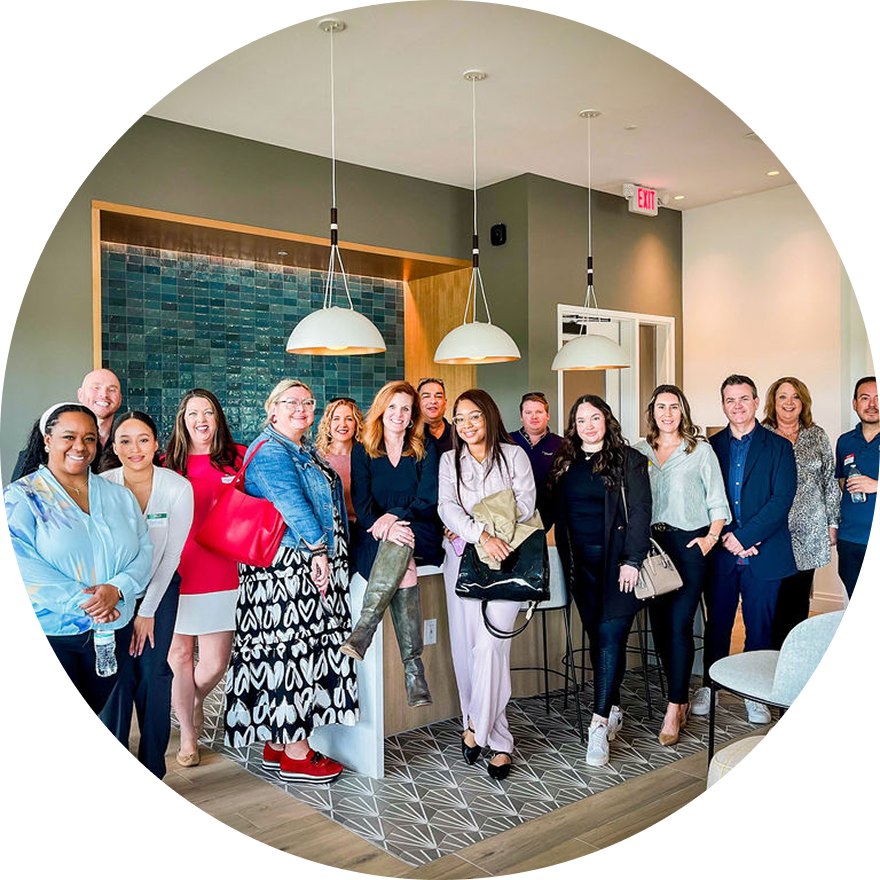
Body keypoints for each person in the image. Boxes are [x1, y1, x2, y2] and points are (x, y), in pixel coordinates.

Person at [224, 379, 356, 784]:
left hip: (299, 565)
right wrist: (318, 550)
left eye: (308, 402)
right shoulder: (271, 451)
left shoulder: (301, 448)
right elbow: (293, 506)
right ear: (273, 409)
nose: (302, 408)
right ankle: (297, 753)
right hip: (288, 572)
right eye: (291, 402)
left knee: (294, 653)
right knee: (292, 656)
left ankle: (278, 744)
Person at [6, 403, 153, 714]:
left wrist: (118, 588)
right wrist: (90, 603)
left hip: (112, 630)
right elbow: (22, 563)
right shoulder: (22, 497)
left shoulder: (119, 495)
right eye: (68, 437)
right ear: (48, 440)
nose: (80, 446)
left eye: (89, 438)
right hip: (53, 631)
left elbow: (144, 549)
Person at [543, 394, 652, 768]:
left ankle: (598, 724)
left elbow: (640, 512)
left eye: (594, 418)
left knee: (609, 638)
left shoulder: (629, 459)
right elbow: (547, 510)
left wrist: (632, 560)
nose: (588, 426)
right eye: (581, 420)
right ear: (573, 426)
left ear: (607, 420)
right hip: (579, 567)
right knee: (599, 640)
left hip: (618, 566)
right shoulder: (565, 461)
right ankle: (614, 707)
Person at [438, 389, 537, 780]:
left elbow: (525, 505)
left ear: (490, 416)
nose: (466, 425)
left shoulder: (514, 456)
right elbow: (447, 507)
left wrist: (488, 532)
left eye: (474, 416)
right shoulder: (450, 461)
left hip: (507, 560)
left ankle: (476, 728)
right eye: (460, 419)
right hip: (463, 560)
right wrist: (480, 533)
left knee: (491, 647)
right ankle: (498, 741)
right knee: (466, 650)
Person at [694, 375, 797, 724]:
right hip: (721, 552)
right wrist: (729, 537)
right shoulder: (710, 447)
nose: (737, 406)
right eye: (730, 400)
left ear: (755, 402)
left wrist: (748, 537)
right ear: (722, 405)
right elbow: (704, 498)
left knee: (759, 625)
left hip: (765, 552)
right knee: (718, 623)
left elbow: (781, 499)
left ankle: (754, 693)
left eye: (743, 399)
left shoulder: (779, 446)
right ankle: (711, 686)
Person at [96, 411, 194, 779]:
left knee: (153, 674)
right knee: (116, 676)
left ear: (155, 444)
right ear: (114, 447)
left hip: (160, 590)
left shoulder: (177, 488)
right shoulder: (101, 486)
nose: (134, 448)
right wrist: (117, 600)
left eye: (142, 440)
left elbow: (171, 556)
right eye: (125, 440)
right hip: (114, 593)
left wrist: (147, 611)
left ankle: (153, 765)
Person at [634, 386, 731, 745]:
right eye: (661, 407)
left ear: (683, 412)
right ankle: (680, 696)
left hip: (689, 545)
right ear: (652, 412)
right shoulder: (639, 452)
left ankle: (674, 708)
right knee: (660, 629)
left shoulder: (699, 450)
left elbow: (717, 501)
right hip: (652, 549)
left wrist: (709, 539)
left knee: (679, 626)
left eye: (674, 407)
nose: (667, 413)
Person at [343, 381, 443, 708]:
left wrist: (394, 517)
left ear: (412, 415)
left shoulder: (425, 446)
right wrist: (384, 525)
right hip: (374, 532)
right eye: (393, 407)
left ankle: (364, 629)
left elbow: (427, 499)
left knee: (403, 541)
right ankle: (413, 669)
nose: (399, 414)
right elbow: (362, 504)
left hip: (420, 526)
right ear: (381, 410)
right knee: (402, 555)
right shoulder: (363, 448)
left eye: (406, 409)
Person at [164, 389, 246, 767]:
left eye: (208, 412)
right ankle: (188, 735)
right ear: (183, 421)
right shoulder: (166, 463)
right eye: (193, 413)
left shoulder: (238, 458)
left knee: (214, 663)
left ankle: (191, 700)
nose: (201, 420)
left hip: (222, 570)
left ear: (218, 418)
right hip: (175, 571)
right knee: (180, 656)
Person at [762, 377, 841, 646]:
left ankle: (794, 654)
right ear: (773, 402)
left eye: (795, 396)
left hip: (810, 531)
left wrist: (833, 522)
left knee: (798, 597)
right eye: (782, 396)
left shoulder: (816, 435)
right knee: (773, 597)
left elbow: (829, 480)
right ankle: (770, 654)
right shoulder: (762, 435)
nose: (789, 402)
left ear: (803, 402)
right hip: (773, 531)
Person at [11, 367, 124, 481]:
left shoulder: (126, 445)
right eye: (96, 387)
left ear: (120, 399)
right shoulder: (36, 452)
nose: (104, 394)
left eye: (112, 389)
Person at [834, 376, 878, 599]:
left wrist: (876, 485)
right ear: (855, 403)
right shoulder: (845, 441)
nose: (872, 404)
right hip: (849, 539)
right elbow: (842, 481)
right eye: (865, 398)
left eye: (878, 398)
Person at [315, 396, 365, 531]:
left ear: (356, 424)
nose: (343, 424)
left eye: (349, 419)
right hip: (328, 530)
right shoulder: (316, 459)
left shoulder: (367, 458)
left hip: (361, 530)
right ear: (328, 423)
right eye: (336, 418)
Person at [511, 391, 563, 494]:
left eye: (539, 412)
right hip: (516, 503)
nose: (534, 416)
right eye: (528, 412)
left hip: (551, 503)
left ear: (547, 416)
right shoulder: (508, 441)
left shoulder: (561, 444)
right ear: (521, 417)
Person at [418, 377, 455, 453]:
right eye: (426, 396)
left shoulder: (458, 435)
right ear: (417, 403)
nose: (433, 401)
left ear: (445, 403)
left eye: (438, 396)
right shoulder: (410, 436)